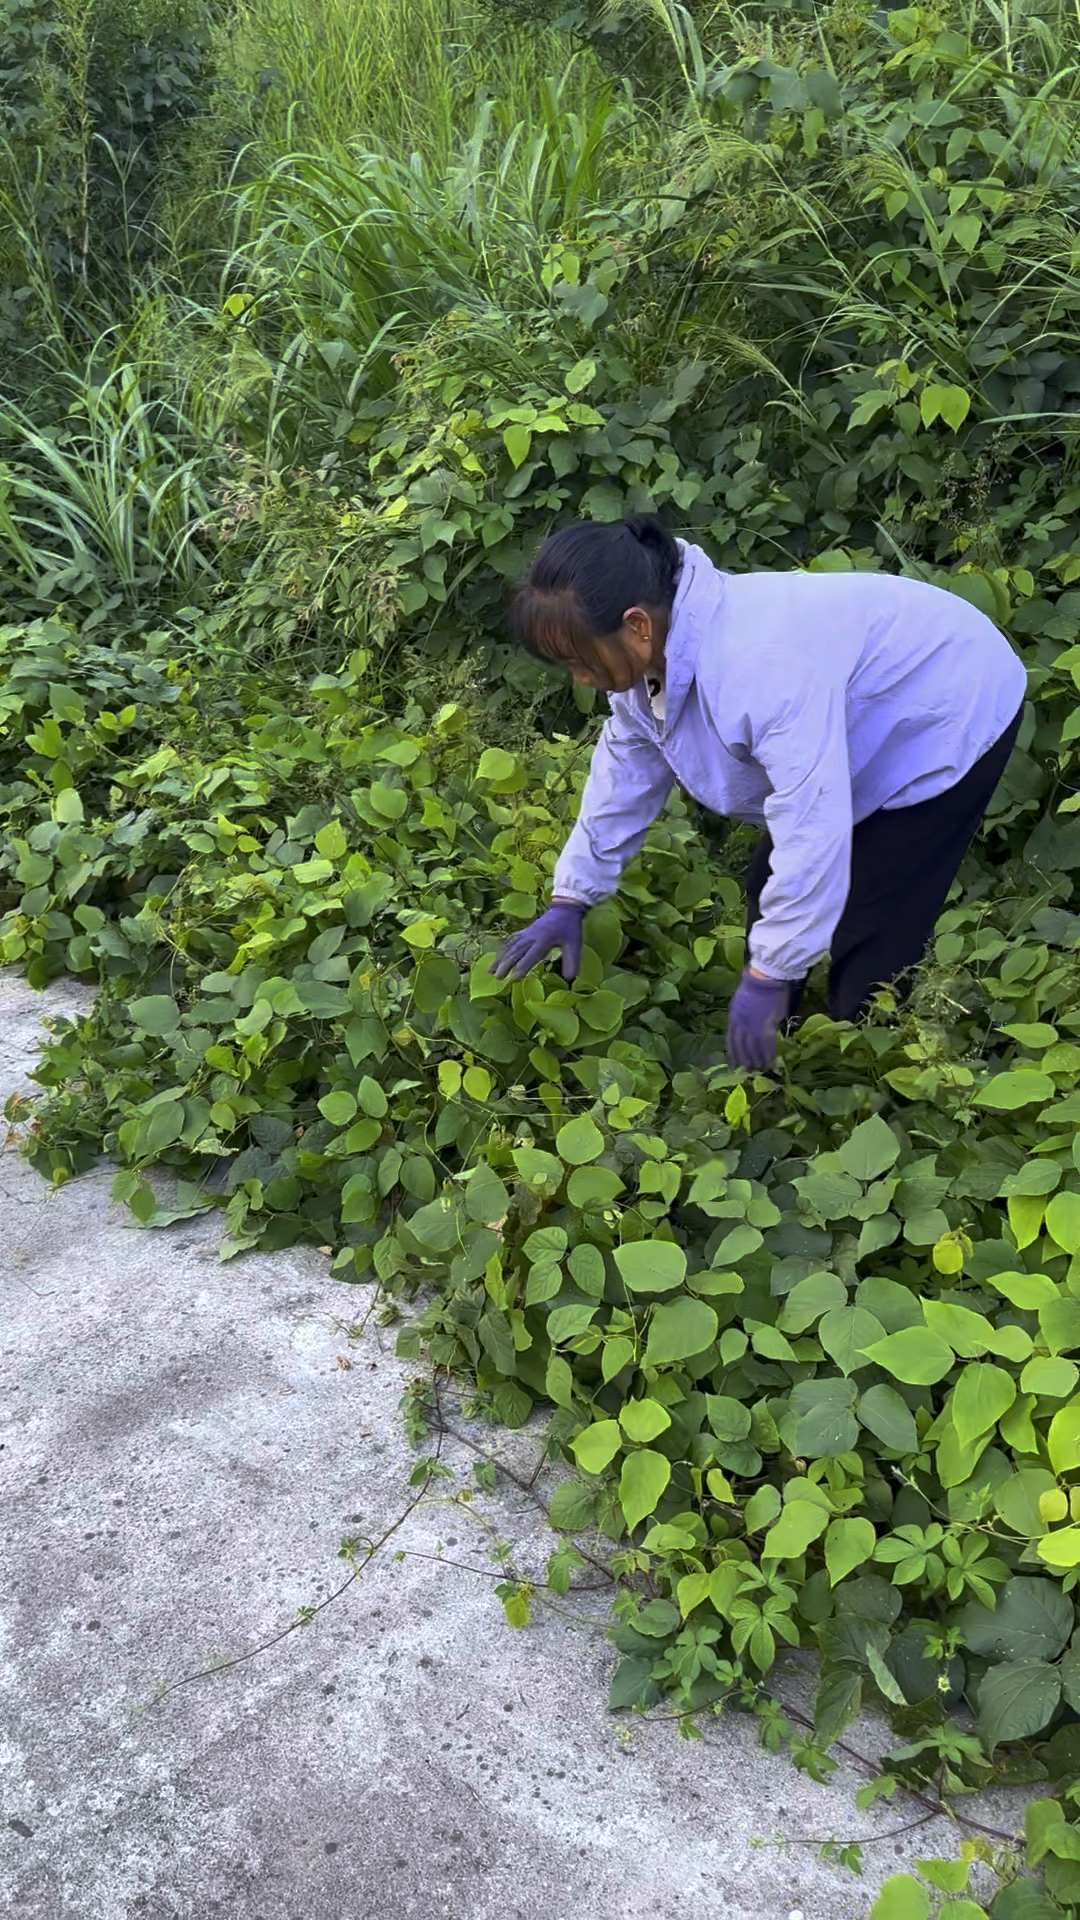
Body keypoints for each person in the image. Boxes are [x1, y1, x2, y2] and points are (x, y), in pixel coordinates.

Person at [492, 515, 1027, 1071]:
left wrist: (769, 974)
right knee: (770, 884)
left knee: (875, 925)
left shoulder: (758, 665)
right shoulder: (650, 656)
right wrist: (572, 895)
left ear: (636, 626)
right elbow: (624, 773)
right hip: (866, 706)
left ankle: (868, 1071)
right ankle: (781, 1045)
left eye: (581, 660)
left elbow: (809, 818)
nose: (579, 677)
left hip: (947, 704)